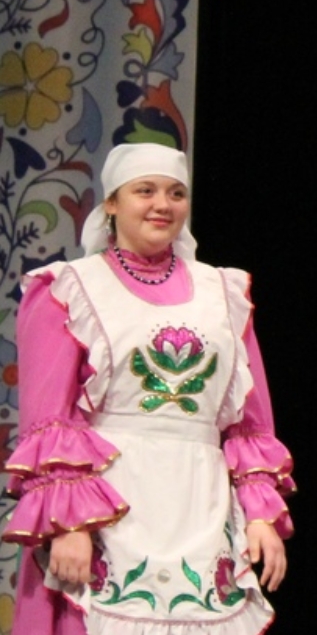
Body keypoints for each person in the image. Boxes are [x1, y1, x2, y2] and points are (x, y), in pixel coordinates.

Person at [3, 143, 295, 634]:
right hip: (109, 506)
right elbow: (49, 418)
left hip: (200, 506)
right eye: (146, 190)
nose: (163, 204)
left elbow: (250, 419)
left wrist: (260, 516)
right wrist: (69, 526)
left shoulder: (223, 292)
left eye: (176, 192)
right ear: (112, 203)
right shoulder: (69, 287)